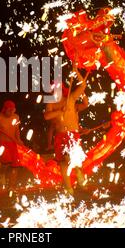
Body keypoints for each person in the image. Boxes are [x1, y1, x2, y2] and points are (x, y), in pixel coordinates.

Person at [44, 68, 90, 196]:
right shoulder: (51, 103)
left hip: (72, 134)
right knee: (64, 163)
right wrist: (59, 111)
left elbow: (83, 85)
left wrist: (76, 72)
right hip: (60, 135)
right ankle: (68, 188)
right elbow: (46, 116)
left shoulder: (70, 99)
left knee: (75, 160)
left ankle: (82, 183)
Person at [0, 100, 24, 191]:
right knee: (6, 162)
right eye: (9, 110)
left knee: (15, 165)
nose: (11, 112)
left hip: (13, 144)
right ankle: (1, 173)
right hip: (3, 144)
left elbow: (17, 130)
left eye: (12, 110)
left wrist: (18, 139)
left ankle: (12, 186)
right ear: (4, 109)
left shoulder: (16, 117)